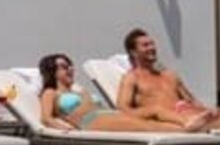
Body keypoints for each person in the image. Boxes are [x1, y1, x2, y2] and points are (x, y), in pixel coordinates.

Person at [36, 53, 209, 132]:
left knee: (155, 111)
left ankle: (187, 122)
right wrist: (62, 127)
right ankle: (187, 129)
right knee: (145, 126)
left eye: (71, 65)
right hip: (91, 121)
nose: (71, 69)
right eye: (64, 67)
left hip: (107, 114)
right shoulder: (51, 92)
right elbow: (46, 117)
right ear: (52, 71)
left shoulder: (78, 90)